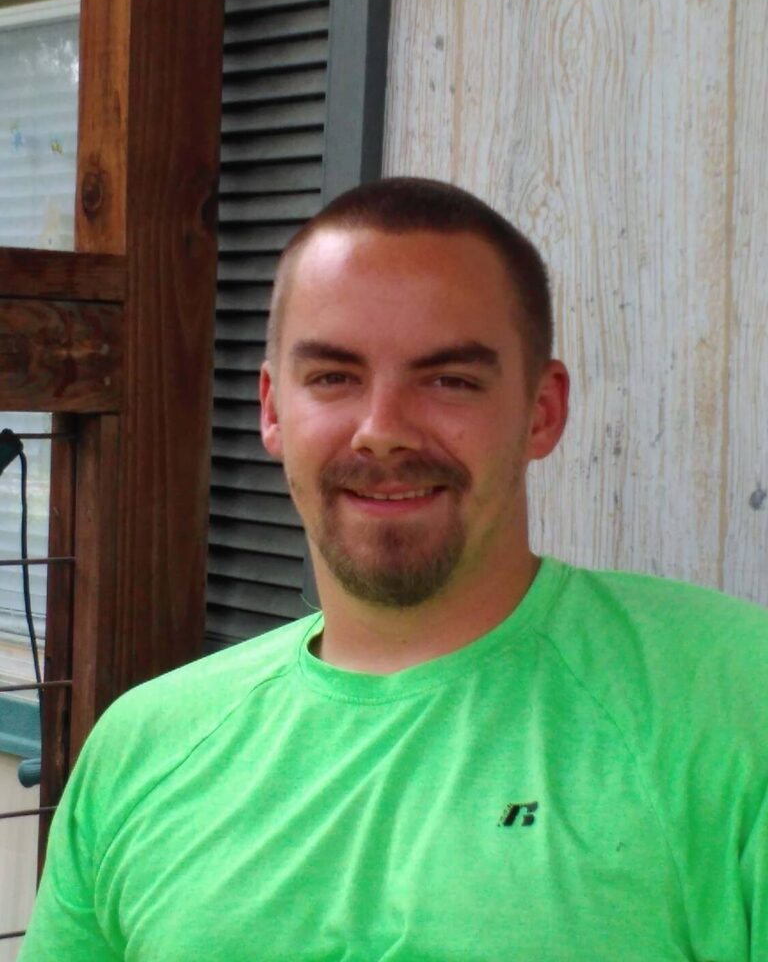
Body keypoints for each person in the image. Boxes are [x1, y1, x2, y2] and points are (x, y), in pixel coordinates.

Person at [20, 178, 767, 961]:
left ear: (541, 411)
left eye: (449, 379)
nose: (381, 432)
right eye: (334, 377)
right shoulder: (145, 747)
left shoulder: (735, 702)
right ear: (273, 409)